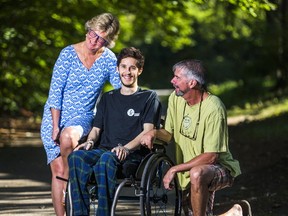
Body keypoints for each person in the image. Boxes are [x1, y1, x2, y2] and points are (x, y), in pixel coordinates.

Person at [40, 13, 121, 216]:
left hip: (83, 115)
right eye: (92, 34)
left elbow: (121, 88)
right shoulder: (67, 53)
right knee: (58, 172)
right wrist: (55, 126)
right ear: (88, 30)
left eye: (100, 38)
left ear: (108, 41)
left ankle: (74, 186)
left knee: (68, 139)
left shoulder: (109, 59)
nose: (93, 40)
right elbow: (55, 92)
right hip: (54, 115)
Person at [140, 59, 241, 216]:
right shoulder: (176, 98)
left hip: (218, 168)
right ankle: (235, 213)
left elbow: (211, 156)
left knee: (197, 173)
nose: (172, 80)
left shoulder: (214, 108)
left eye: (177, 77)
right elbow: (168, 134)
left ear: (192, 83)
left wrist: (174, 169)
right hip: (189, 171)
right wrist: (153, 133)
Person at [67, 47, 162, 216]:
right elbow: (96, 129)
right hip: (104, 151)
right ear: (118, 69)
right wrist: (89, 141)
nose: (127, 72)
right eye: (124, 67)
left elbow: (147, 131)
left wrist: (125, 148)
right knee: (76, 157)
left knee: (106, 158)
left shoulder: (149, 97)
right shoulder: (107, 98)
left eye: (132, 68)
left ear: (139, 70)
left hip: (132, 156)